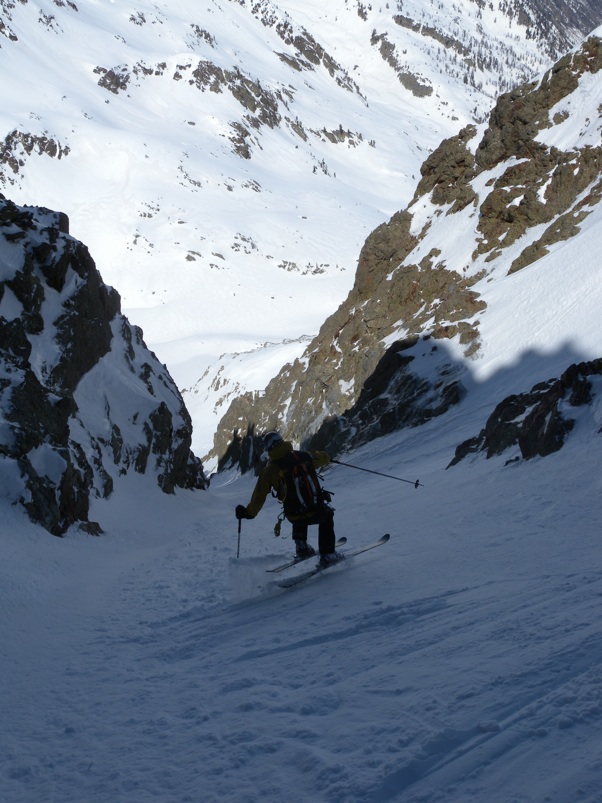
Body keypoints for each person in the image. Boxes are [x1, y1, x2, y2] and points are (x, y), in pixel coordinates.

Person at [235, 431, 341, 566]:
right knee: (327, 515)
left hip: (293, 515)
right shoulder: (303, 456)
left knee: (295, 507)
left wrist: (248, 513)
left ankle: (302, 548)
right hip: (315, 511)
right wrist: (325, 457)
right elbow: (324, 457)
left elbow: (259, 496)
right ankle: (328, 555)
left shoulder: (270, 470)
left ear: (269, 449)